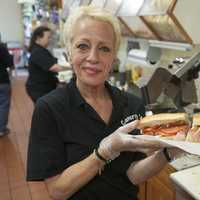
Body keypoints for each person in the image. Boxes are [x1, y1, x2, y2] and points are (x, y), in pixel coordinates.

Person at [26, 6, 183, 200]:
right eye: (83, 46)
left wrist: (167, 153)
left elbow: (132, 176)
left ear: (113, 57)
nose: (93, 57)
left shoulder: (132, 105)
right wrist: (104, 152)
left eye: (104, 48)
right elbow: (57, 191)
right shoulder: (49, 109)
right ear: (69, 52)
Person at [26, 26, 69, 104]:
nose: (50, 40)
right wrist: (72, 68)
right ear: (39, 38)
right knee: (45, 112)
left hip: (43, 87)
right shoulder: (38, 51)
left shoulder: (42, 50)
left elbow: (53, 62)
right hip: (39, 89)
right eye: (48, 37)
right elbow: (55, 68)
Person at [0, 38, 14, 136]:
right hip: (2, 80)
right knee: (4, 104)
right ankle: (1, 129)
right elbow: (10, 63)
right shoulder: (2, 47)